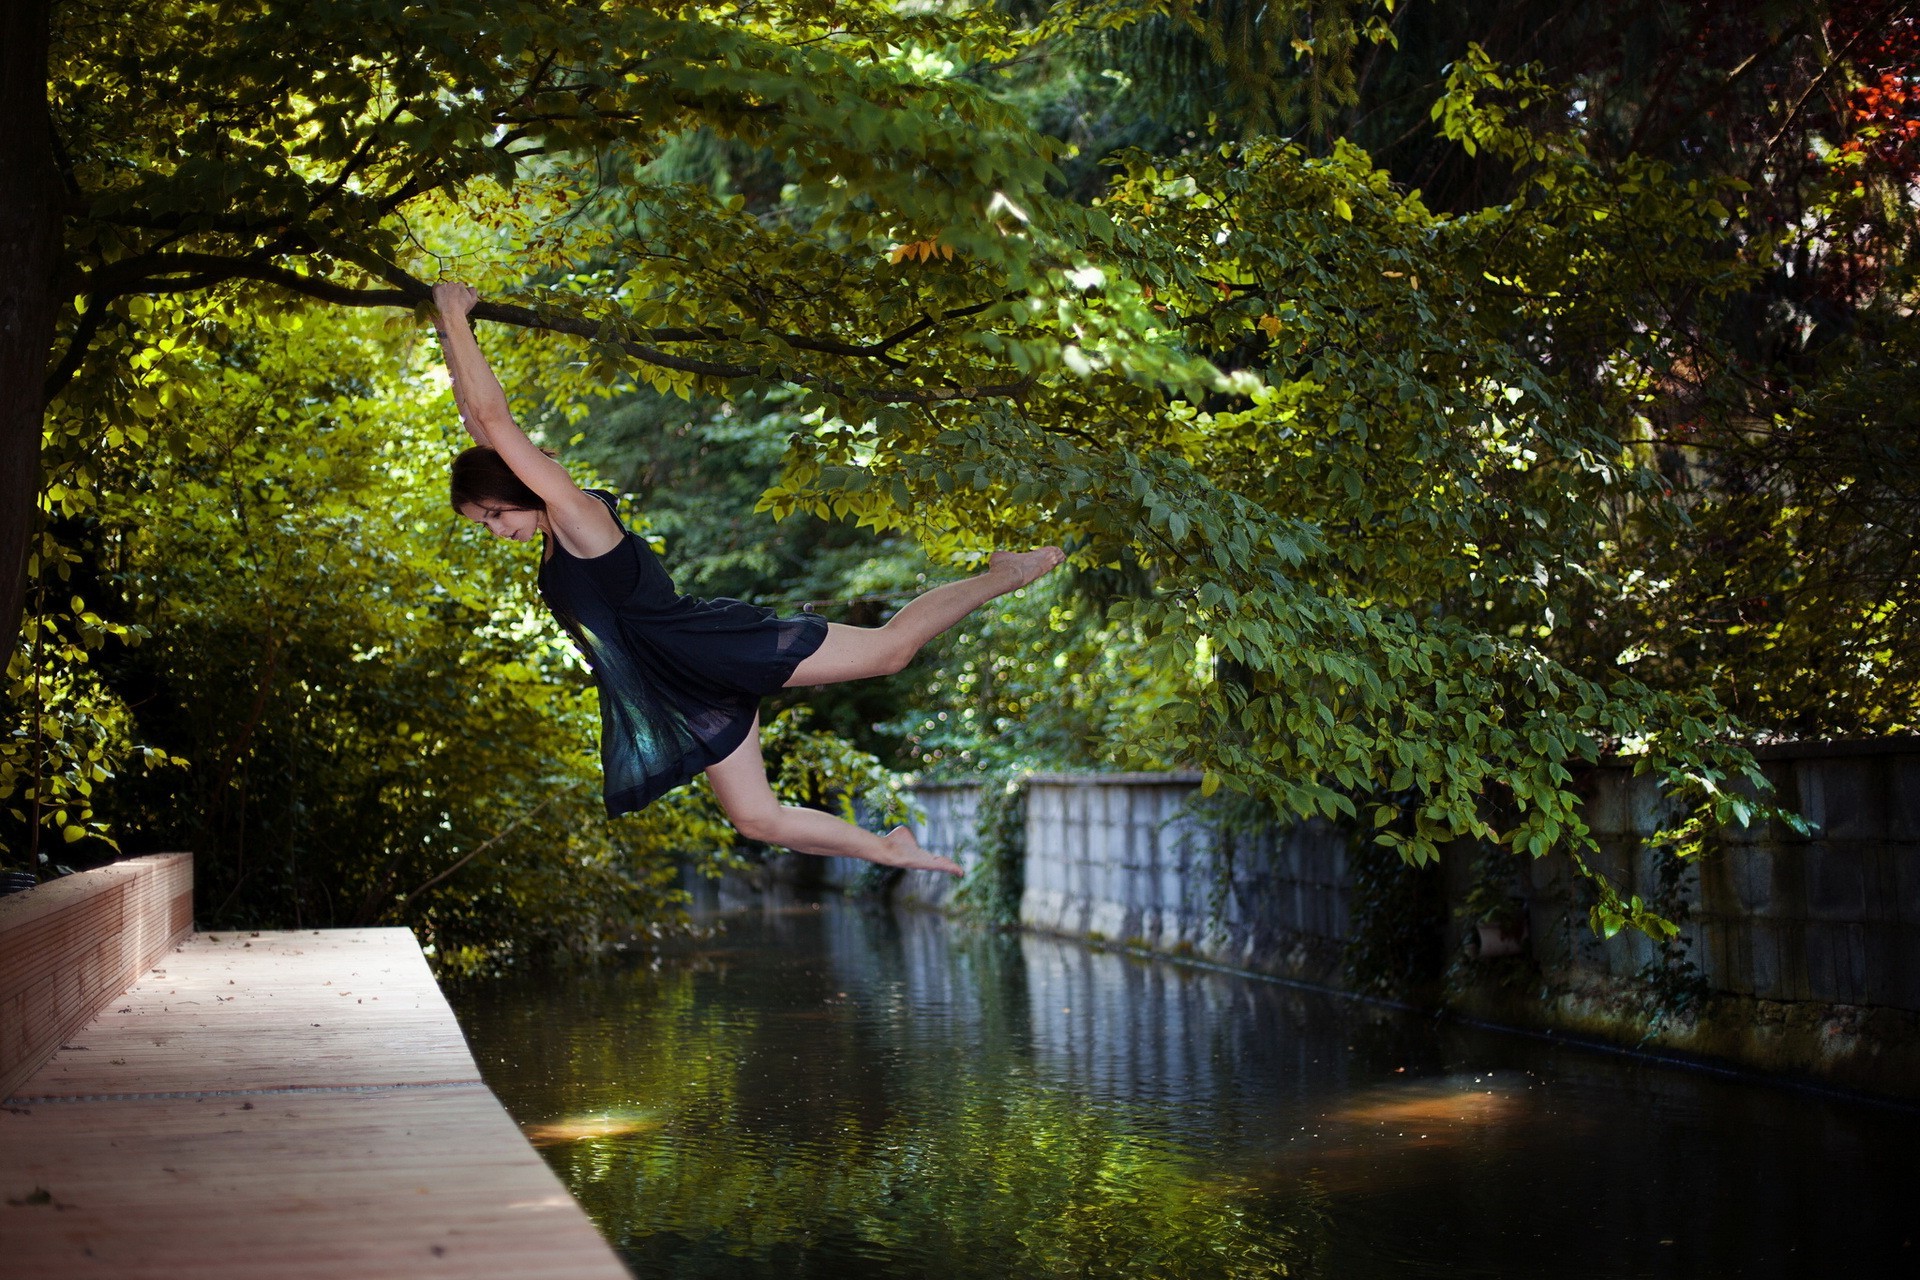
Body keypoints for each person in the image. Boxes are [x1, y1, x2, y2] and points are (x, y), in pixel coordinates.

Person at [432, 282, 1063, 877]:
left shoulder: (576, 518)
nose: (494, 529)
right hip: (675, 679)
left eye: (493, 513)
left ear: (517, 488)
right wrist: (444, 326)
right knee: (756, 818)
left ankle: (1001, 575)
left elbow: (494, 421)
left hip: (708, 647)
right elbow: (477, 425)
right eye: (480, 524)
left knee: (890, 652)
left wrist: (454, 313)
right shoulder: (547, 537)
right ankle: (888, 850)